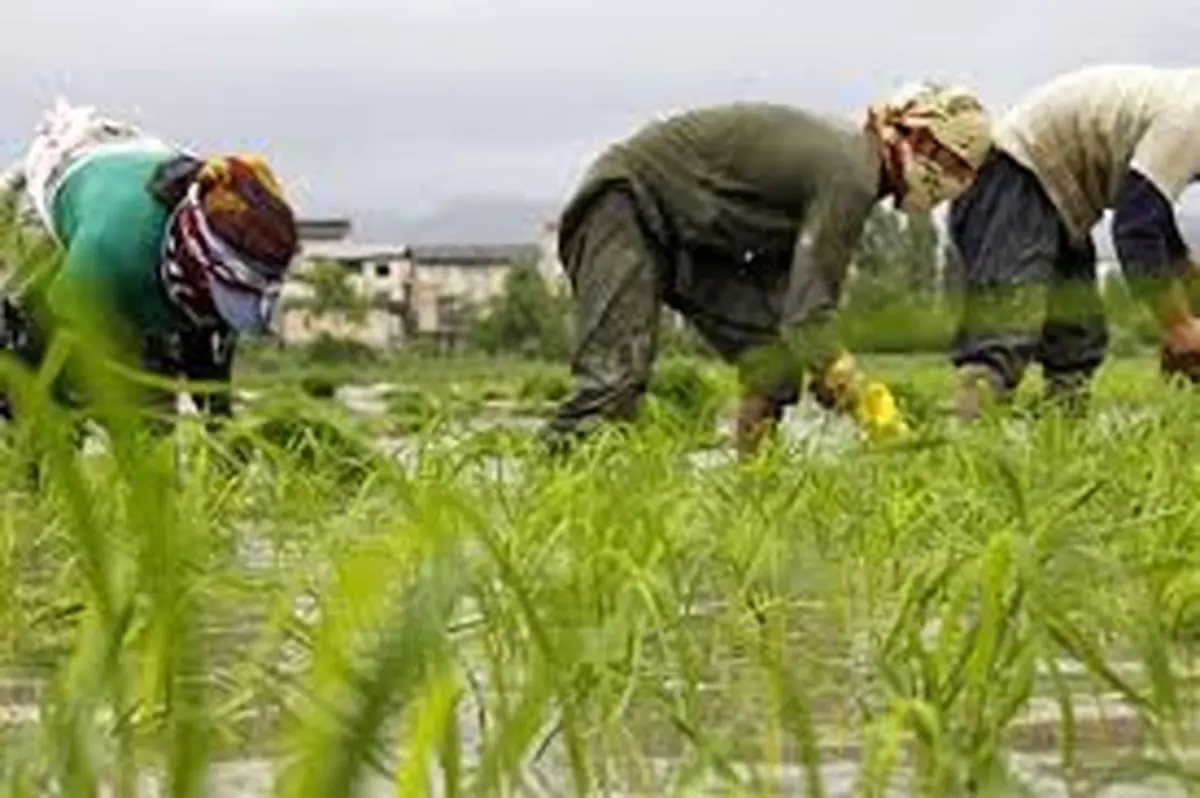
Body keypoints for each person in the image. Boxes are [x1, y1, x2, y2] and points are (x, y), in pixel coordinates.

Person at [539, 83, 994, 456]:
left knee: (770, 353)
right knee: (611, 386)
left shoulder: (853, 169)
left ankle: (754, 491)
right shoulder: (850, 175)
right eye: (956, 166)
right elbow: (809, 320)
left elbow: (790, 305)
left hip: (688, 237)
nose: (957, 182)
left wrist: (822, 368)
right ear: (921, 143)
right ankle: (541, 501)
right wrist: (869, 406)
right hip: (627, 204)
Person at [0, 99, 297, 433]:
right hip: (58, 178)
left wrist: (221, 429)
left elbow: (207, 360)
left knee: (156, 413)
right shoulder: (109, 249)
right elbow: (53, 348)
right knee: (47, 394)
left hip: (138, 164)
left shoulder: (231, 250)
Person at [947, 64, 1200, 419]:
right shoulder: (1192, 119)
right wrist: (1178, 326)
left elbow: (1155, 218)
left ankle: (1059, 442)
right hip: (1018, 174)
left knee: (1076, 338)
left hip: (1066, 197)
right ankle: (965, 445)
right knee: (1005, 331)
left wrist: (1190, 293)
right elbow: (1134, 227)